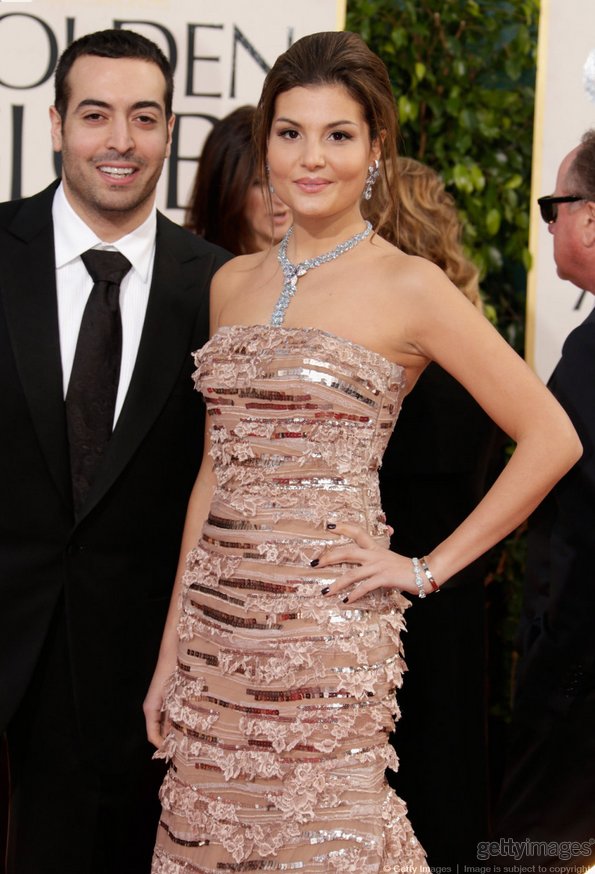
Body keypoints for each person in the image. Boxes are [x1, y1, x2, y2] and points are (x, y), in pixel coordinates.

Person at [144, 31, 580, 873]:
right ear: (265, 138)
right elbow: (214, 472)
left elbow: (551, 437)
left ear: (375, 148)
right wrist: (171, 650)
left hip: (325, 641)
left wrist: (423, 568)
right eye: (291, 132)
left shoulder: (409, 284)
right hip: (211, 651)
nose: (311, 159)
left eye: (338, 135)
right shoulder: (229, 282)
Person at [0, 28, 230, 874]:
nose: (121, 141)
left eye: (144, 117)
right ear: (56, 125)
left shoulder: (216, 286)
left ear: (172, 131)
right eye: (96, 115)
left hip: (137, 677)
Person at [371, 158, 505, 866]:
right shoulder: (474, 342)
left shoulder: (400, 355)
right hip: (445, 597)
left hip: (392, 595)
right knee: (444, 786)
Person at [494, 131, 595, 866]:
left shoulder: (590, 355)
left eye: (551, 207)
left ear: (588, 218)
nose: (549, 224)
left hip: (578, 676)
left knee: (525, 855)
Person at [185, 104, 291, 253]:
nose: (279, 197)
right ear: (227, 187)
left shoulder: (322, 263)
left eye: (284, 178)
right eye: (259, 183)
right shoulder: (198, 265)